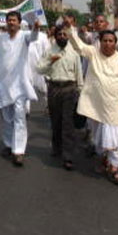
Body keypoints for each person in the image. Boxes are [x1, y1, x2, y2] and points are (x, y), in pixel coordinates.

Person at [63, 16, 118, 185]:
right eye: (104, 40)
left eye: (111, 41)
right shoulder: (93, 53)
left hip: (116, 107)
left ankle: (114, 169)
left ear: (115, 43)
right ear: (100, 42)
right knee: (98, 138)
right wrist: (70, 29)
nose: (107, 44)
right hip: (96, 106)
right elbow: (78, 45)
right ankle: (102, 158)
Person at [0, 11, 40, 167]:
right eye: (9, 20)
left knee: (19, 118)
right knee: (7, 118)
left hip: (19, 85)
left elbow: (33, 37)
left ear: (19, 22)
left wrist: (35, 28)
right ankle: (9, 144)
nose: (11, 23)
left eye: (14, 20)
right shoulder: (1, 38)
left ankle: (18, 151)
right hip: (3, 84)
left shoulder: (24, 36)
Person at [37, 25, 83, 170]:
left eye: (64, 34)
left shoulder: (74, 53)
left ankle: (68, 156)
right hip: (54, 88)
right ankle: (56, 147)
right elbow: (39, 68)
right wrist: (51, 61)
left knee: (68, 123)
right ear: (55, 36)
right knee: (55, 121)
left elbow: (79, 74)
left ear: (67, 36)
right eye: (59, 34)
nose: (62, 36)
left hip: (69, 89)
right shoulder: (50, 51)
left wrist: (80, 92)